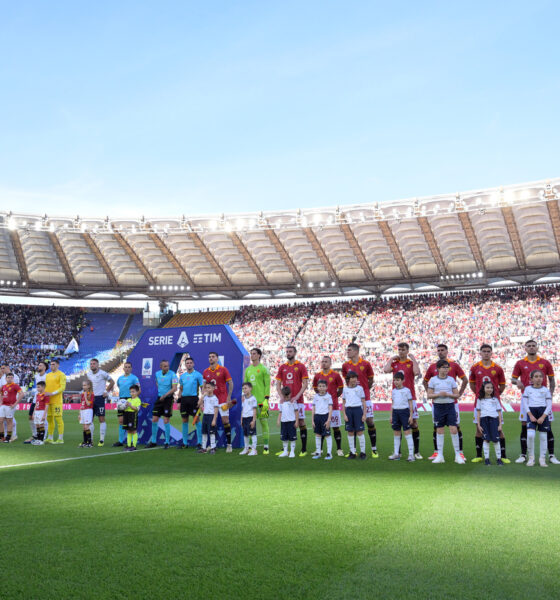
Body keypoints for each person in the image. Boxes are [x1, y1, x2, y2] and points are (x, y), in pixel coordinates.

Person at [511, 340, 559, 464]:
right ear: (525, 348)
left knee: (548, 427)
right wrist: (517, 382)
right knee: (524, 427)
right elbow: (513, 379)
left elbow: (552, 380)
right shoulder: (520, 363)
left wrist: (551, 393)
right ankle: (523, 455)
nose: (532, 348)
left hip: (542, 400)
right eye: (529, 346)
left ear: (537, 348)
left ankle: (551, 455)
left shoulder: (545, 362)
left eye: (533, 346)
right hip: (527, 401)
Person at [423, 344, 468, 460]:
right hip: (437, 404)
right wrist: (431, 394)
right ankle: (437, 452)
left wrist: (459, 394)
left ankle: (460, 452)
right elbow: (425, 381)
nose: (440, 352)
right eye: (438, 350)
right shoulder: (432, 367)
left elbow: (465, 379)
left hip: (452, 403)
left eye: (442, 350)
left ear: (447, 351)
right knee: (437, 426)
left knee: (455, 426)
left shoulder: (454, 365)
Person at [469, 345, 509, 463]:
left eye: (488, 351)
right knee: (479, 429)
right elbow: (472, 384)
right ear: (480, 352)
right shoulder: (475, 367)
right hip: (480, 403)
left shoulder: (498, 368)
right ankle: (479, 455)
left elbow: (502, 385)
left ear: (491, 353)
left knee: (499, 430)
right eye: (484, 351)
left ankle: (503, 456)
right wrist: (480, 394)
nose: (486, 353)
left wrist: (494, 395)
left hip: (494, 403)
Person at [383, 343, 422, 459]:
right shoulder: (395, 364)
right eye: (399, 349)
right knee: (397, 426)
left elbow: (417, 372)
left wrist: (414, 359)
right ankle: (398, 452)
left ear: (407, 350)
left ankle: (416, 452)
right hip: (397, 397)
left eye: (403, 350)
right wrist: (390, 359)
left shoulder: (410, 363)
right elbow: (385, 370)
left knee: (413, 424)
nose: (401, 352)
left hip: (410, 397)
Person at [342, 343, 376, 457]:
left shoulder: (366, 364)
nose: (347, 352)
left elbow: (371, 379)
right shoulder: (345, 365)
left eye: (349, 350)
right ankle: (353, 451)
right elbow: (346, 380)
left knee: (369, 421)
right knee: (352, 425)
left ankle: (374, 449)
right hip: (352, 400)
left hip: (364, 397)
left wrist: (365, 389)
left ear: (356, 351)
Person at [275, 346, 309, 456]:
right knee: (285, 422)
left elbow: (305, 383)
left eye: (290, 351)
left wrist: (297, 396)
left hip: (298, 400)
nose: (288, 353)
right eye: (287, 352)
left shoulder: (301, 366)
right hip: (286, 401)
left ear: (295, 352)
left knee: (301, 422)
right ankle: (285, 449)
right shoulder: (282, 367)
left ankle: (303, 449)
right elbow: (278, 384)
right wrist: (281, 396)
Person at [312, 356, 344, 456]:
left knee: (335, 427)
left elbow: (341, 389)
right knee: (321, 427)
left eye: (326, 362)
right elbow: (315, 389)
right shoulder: (317, 375)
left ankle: (339, 449)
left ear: (330, 363)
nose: (324, 363)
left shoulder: (336, 375)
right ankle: (320, 450)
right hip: (321, 409)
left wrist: (334, 397)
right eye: (322, 362)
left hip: (333, 407)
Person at [203, 352, 234, 452]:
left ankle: (229, 444)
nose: (211, 358)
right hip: (210, 401)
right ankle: (212, 445)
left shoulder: (223, 370)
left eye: (213, 357)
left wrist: (229, 396)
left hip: (222, 400)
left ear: (217, 358)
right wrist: (203, 398)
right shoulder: (205, 371)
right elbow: (204, 387)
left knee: (225, 421)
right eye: (209, 357)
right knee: (211, 422)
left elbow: (230, 382)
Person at [244, 348, 271, 454]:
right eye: (251, 354)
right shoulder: (248, 370)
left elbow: (267, 384)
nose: (252, 355)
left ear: (259, 355)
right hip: (250, 402)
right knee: (251, 424)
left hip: (261, 401)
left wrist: (266, 399)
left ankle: (266, 446)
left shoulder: (264, 369)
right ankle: (251, 446)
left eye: (254, 354)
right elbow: (245, 385)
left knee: (264, 423)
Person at [523, 370, 553, 467]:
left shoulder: (545, 390)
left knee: (543, 437)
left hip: (542, 412)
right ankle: (531, 458)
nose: (538, 378)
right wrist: (530, 415)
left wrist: (543, 417)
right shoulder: (527, 389)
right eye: (536, 376)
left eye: (540, 376)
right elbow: (525, 403)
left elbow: (549, 405)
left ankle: (542, 459)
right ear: (531, 379)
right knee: (530, 435)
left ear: (543, 378)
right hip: (531, 412)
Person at [147, 359, 178, 449]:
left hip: (168, 399)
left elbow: (175, 388)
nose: (167, 367)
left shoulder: (173, 374)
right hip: (160, 398)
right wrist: (161, 392)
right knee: (154, 419)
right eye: (165, 366)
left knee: (166, 420)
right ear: (161, 367)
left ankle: (167, 442)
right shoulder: (157, 374)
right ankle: (153, 441)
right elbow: (157, 383)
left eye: (167, 366)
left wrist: (165, 395)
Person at [86, 358, 114, 447]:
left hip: (99, 398)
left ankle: (101, 440)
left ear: (98, 365)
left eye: (94, 364)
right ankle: (91, 440)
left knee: (101, 419)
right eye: (91, 364)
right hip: (91, 398)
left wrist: (107, 392)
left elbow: (112, 382)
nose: (92, 365)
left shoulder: (103, 373)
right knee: (90, 419)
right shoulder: (88, 374)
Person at [475, 381, 504, 466]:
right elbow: (478, 413)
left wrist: (500, 424)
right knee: (486, 439)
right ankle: (487, 459)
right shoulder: (480, 400)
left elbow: (499, 413)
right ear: (483, 389)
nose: (489, 389)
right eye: (487, 387)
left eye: (491, 388)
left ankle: (499, 458)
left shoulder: (495, 399)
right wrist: (479, 425)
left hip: (494, 420)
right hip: (484, 420)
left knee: (496, 440)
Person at [178, 356, 204, 449]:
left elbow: (202, 388)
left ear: (193, 364)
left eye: (190, 363)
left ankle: (200, 442)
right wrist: (179, 401)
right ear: (185, 365)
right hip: (184, 400)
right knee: (184, 420)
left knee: (196, 420)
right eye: (187, 363)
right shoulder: (182, 376)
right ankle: (185, 443)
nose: (189, 364)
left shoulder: (198, 375)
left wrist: (201, 400)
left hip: (194, 399)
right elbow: (181, 389)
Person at [340, 371, 367, 460]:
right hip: (349, 411)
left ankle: (363, 452)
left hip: (357, 410)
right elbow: (343, 403)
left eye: (355, 377)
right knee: (350, 432)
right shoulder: (345, 389)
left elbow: (363, 402)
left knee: (359, 432)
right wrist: (344, 414)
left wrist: (364, 414)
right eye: (352, 377)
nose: (354, 379)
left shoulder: (360, 388)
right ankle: (352, 452)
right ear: (348, 379)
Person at [389, 372, 414, 462]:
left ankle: (411, 455)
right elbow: (393, 403)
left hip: (404, 412)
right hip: (395, 412)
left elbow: (410, 403)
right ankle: (396, 453)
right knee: (396, 432)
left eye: (398, 380)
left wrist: (411, 416)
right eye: (394, 380)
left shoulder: (407, 390)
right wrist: (391, 415)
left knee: (407, 432)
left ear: (403, 380)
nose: (396, 382)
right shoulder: (394, 391)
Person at [114, 362, 140, 447]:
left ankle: (132, 442)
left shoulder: (134, 378)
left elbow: (139, 390)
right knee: (121, 421)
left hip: (130, 401)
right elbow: (119, 387)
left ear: (131, 368)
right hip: (121, 401)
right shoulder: (120, 378)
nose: (127, 368)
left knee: (130, 422)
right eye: (126, 367)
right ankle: (120, 441)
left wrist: (134, 399)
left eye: (129, 367)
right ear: (123, 368)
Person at [24, 361, 48, 444]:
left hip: (43, 399)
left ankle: (43, 437)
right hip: (36, 399)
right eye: (38, 365)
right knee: (31, 417)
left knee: (43, 419)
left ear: (45, 367)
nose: (39, 366)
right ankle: (35, 435)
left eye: (40, 365)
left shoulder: (47, 376)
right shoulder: (37, 376)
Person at [44, 359, 66, 444]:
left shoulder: (61, 374)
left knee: (58, 418)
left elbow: (62, 388)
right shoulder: (48, 375)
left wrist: (52, 393)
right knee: (49, 419)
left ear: (58, 365)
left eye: (53, 364)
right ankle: (50, 437)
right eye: (51, 364)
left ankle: (60, 438)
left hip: (57, 400)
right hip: (48, 401)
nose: (51, 366)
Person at [311, 379, 333, 460]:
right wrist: (312, 420)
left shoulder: (328, 396)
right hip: (317, 417)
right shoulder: (316, 396)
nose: (321, 388)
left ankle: (329, 453)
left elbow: (330, 409)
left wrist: (328, 420)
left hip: (325, 417)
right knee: (318, 434)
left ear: (326, 387)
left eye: (323, 386)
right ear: (317, 387)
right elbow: (313, 408)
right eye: (320, 386)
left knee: (327, 435)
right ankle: (318, 453)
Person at [0, 373, 24, 442]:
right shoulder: (3, 386)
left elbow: (22, 394)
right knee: (0, 421)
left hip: (10, 406)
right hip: (3, 405)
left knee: (9, 421)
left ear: (13, 378)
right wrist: (0, 402)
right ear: (6, 378)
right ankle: (1, 437)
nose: (10, 379)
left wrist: (15, 404)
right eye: (8, 377)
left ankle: (8, 438)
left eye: (11, 377)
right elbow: (1, 394)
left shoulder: (15, 386)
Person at [197, 381, 219, 454]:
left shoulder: (215, 398)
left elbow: (216, 410)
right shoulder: (205, 397)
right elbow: (198, 404)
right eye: (206, 387)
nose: (207, 389)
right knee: (204, 432)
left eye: (209, 387)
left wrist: (214, 420)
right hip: (205, 416)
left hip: (211, 416)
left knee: (212, 432)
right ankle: (204, 448)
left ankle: (213, 447)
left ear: (213, 388)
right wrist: (202, 396)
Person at [277, 386, 297, 458]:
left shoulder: (293, 401)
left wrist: (297, 421)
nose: (286, 398)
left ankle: (292, 452)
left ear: (290, 394)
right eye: (284, 397)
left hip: (291, 422)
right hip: (284, 422)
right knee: (284, 437)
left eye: (287, 396)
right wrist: (278, 420)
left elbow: (296, 411)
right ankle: (285, 451)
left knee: (292, 438)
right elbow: (280, 412)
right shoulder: (281, 402)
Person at [239, 382, 258, 456]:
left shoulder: (253, 399)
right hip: (244, 418)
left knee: (253, 434)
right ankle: (246, 449)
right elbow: (243, 409)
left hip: (250, 418)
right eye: (243, 388)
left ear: (250, 388)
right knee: (245, 434)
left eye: (246, 388)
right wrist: (241, 419)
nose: (244, 390)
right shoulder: (243, 398)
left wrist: (253, 420)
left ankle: (254, 450)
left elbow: (254, 410)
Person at [123, 384, 142, 452]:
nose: (132, 393)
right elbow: (125, 408)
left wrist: (130, 405)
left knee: (133, 430)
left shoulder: (138, 400)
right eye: (131, 392)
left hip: (133, 416)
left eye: (133, 391)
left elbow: (137, 409)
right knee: (128, 430)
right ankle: (128, 445)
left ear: (137, 392)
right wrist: (123, 406)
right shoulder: (128, 399)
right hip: (127, 415)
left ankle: (134, 446)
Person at [31, 381, 49, 445]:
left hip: (42, 411)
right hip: (37, 411)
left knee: (41, 425)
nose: (37, 388)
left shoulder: (46, 395)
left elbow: (47, 405)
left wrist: (44, 415)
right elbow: (36, 404)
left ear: (43, 387)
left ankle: (41, 440)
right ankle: (38, 439)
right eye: (37, 387)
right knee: (37, 425)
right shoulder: (37, 395)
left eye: (39, 387)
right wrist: (33, 412)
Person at [79, 380, 94, 448]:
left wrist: (85, 396)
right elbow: (82, 404)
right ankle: (85, 442)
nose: (83, 387)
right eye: (83, 385)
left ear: (89, 386)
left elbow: (88, 404)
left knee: (86, 427)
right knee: (84, 428)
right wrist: (79, 413)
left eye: (85, 385)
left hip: (88, 411)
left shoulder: (91, 394)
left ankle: (90, 442)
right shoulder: (82, 393)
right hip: (83, 411)